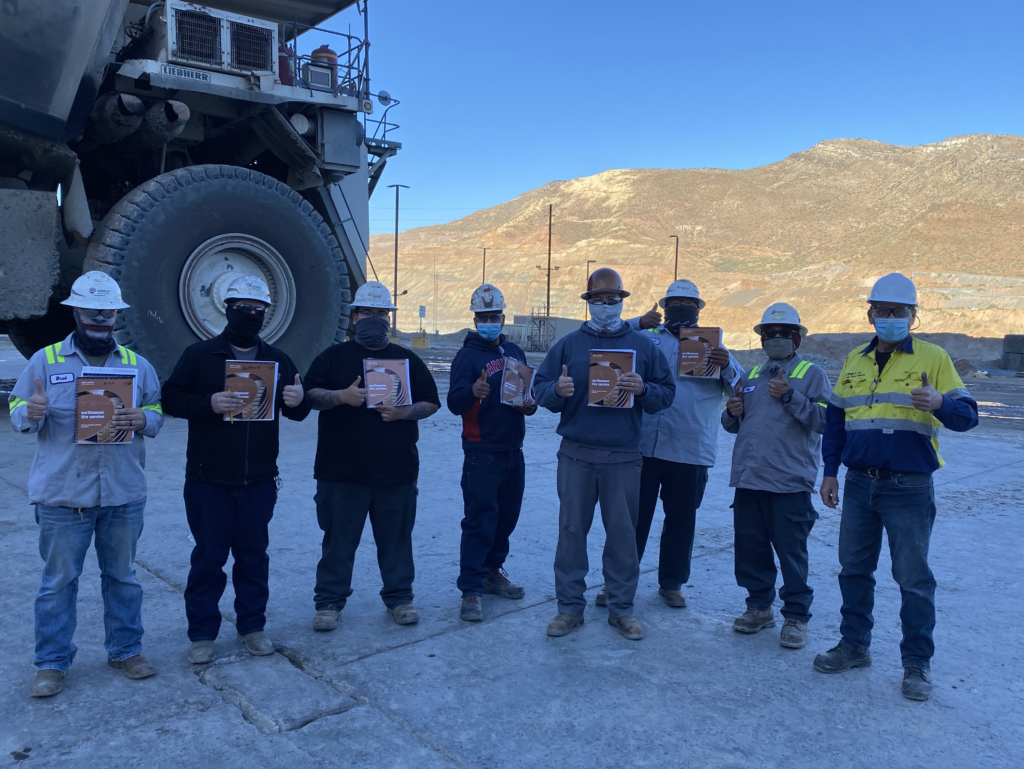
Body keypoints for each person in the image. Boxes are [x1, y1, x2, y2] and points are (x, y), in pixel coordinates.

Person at [813, 273, 978, 701]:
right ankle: (854, 646)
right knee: (853, 569)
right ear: (870, 314)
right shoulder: (855, 359)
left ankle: (916, 664)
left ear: (912, 315)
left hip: (909, 487)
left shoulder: (934, 357)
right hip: (858, 484)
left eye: (898, 311)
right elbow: (836, 420)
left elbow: (968, 417)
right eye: (882, 310)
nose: (889, 317)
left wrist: (941, 403)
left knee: (913, 578)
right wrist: (829, 472)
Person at [8, 272, 164, 697]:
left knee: (123, 577)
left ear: (115, 315)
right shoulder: (46, 360)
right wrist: (30, 411)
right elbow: (18, 406)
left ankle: (126, 651)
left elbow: (155, 408)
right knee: (58, 583)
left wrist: (143, 418)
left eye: (106, 312)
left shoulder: (137, 365)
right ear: (76, 312)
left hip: (123, 494)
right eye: (91, 311)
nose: (99, 319)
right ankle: (51, 663)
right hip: (63, 496)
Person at [162, 275, 310, 664]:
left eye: (259, 309)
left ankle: (252, 627)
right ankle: (202, 634)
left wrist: (299, 399)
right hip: (207, 479)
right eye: (244, 308)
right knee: (208, 559)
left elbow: (297, 410)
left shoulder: (277, 360)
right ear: (228, 309)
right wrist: (208, 403)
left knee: (253, 558)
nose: (251, 314)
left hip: (258, 480)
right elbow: (170, 398)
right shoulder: (200, 355)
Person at [534, 268, 675, 641]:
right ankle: (569, 608)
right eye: (598, 300)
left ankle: (621, 608)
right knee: (571, 532)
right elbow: (539, 388)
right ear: (588, 303)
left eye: (612, 300)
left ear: (622, 302)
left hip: (623, 457)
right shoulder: (568, 345)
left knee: (623, 536)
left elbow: (666, 393)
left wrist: (644, 389)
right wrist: (557, 391)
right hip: (576, 456)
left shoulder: (643, 346)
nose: (605, 306)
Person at [594, 279, 739, 610]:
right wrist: (637, 323)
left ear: (698, 309)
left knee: (681, 521)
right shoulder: (646, 339)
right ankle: (617, 581)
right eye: (674, 304)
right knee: (630, 521)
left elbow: (741, 388)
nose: (681, 309)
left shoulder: (716, 347)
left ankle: (672, 583)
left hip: (690, 448)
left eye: (688, 304)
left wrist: (727, 365)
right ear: (664, 308)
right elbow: (605, 339)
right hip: (643, 445)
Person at [304, 281, 440, 631]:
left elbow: (431, 402)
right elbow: (309, 395)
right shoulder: (331, 358)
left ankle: (400, 598)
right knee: (338, 542)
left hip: (396, 470)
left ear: (390, 319)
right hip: (341, 471)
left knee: (396, 541)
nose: (375, 319)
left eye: (382, 313)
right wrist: (341, 397)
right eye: (367, 312)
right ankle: (329, 602)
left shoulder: (407, 360)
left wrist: (405, 412)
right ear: (354, 317)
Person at [721, 303, 831, 650]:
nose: (776, 338)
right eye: (770, 334)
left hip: (789, 482)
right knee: (750, 550)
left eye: (784, 333)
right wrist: (731, 413)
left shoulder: (812, 374)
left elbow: (826, 421)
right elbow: (734, 425)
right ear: (762, 339)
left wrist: (791, 397)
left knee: (791, 554)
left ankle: (796, 616)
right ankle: (759, 608)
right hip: (750, 478)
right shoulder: (751, 376)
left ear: (797, 338)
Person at [446, 284, 537, 622]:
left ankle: (492, 571)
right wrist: (472, 391)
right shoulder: (466, 357)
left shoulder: (515, 352)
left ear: (503, 316)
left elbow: (528, 398)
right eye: (483, 317)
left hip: (514, 451)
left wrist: (529, 406)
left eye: (494, 316)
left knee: (506, 519)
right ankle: (471, 588)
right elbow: (454, 403)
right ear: (475, 319)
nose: (489, 322)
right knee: (479, 522)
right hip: (481, 453)